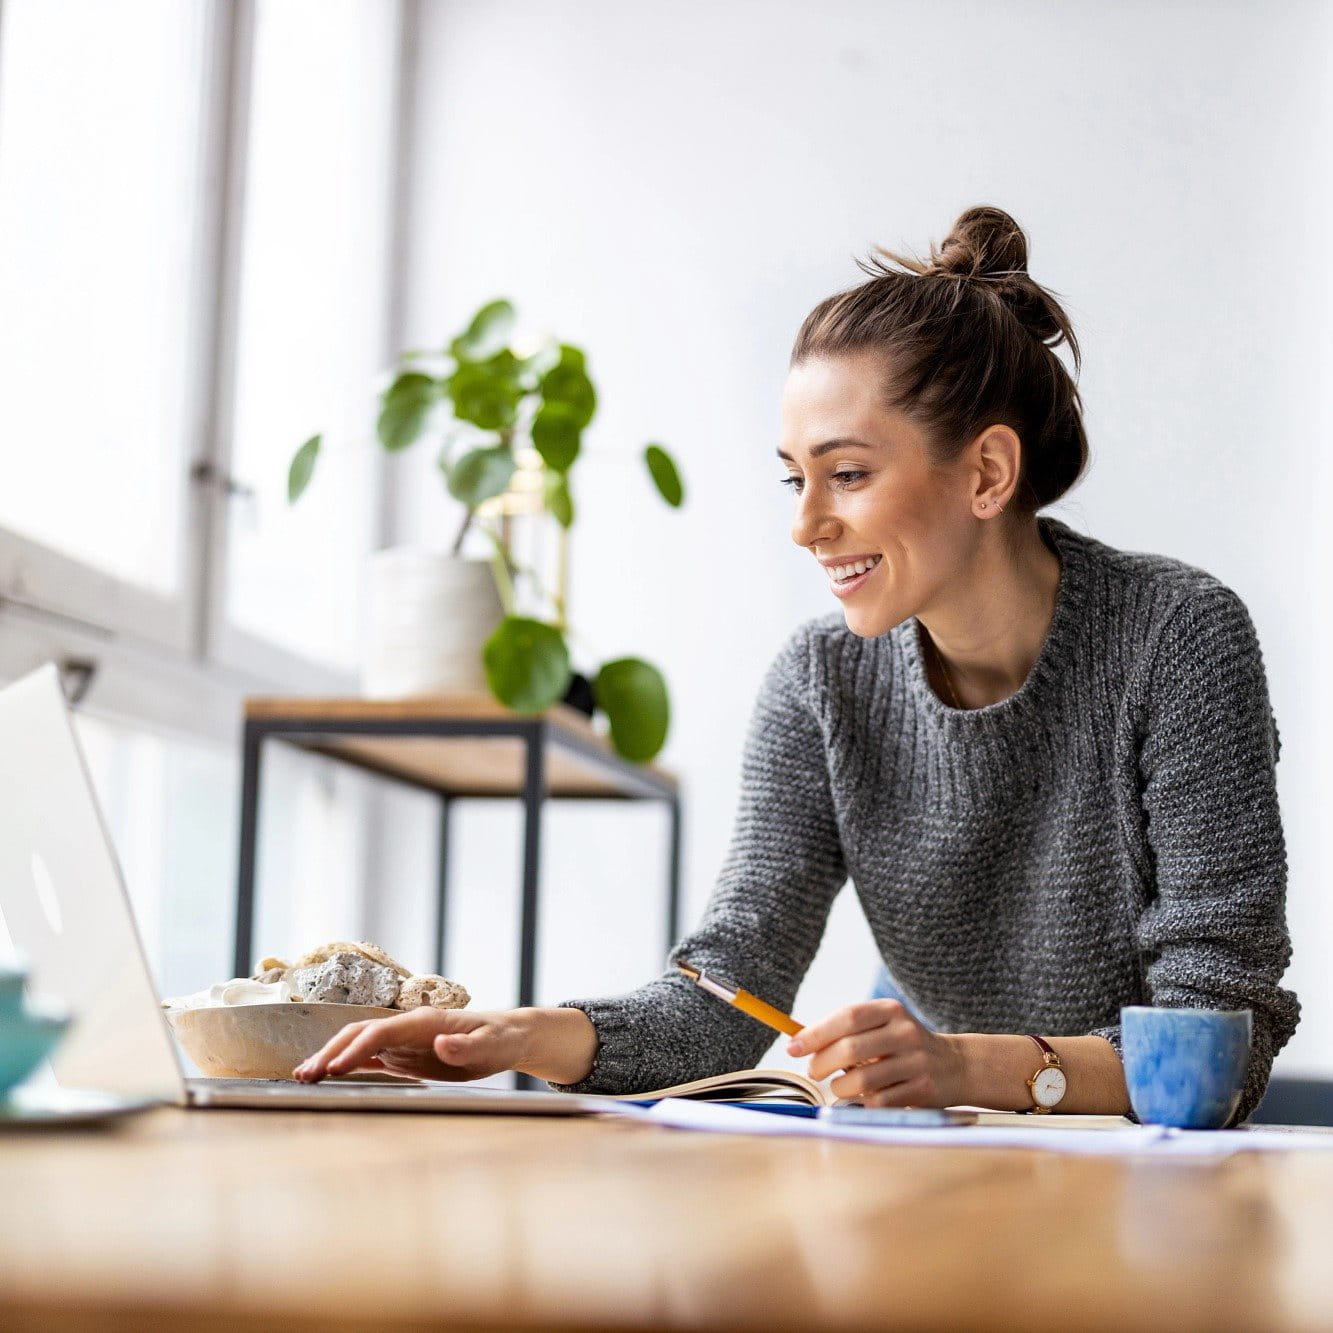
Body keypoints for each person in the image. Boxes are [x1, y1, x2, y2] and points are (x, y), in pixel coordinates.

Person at [296, 205, 1299, 1125]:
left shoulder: (1176, 637)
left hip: (1152, 1182)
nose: (806, 524)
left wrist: (959, 1064)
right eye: (795, 480)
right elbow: (727, 995)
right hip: (944, 1155)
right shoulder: (821, 682)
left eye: (846, 473)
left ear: (987, 472)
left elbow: (1216, 1043)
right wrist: (520, 1036)